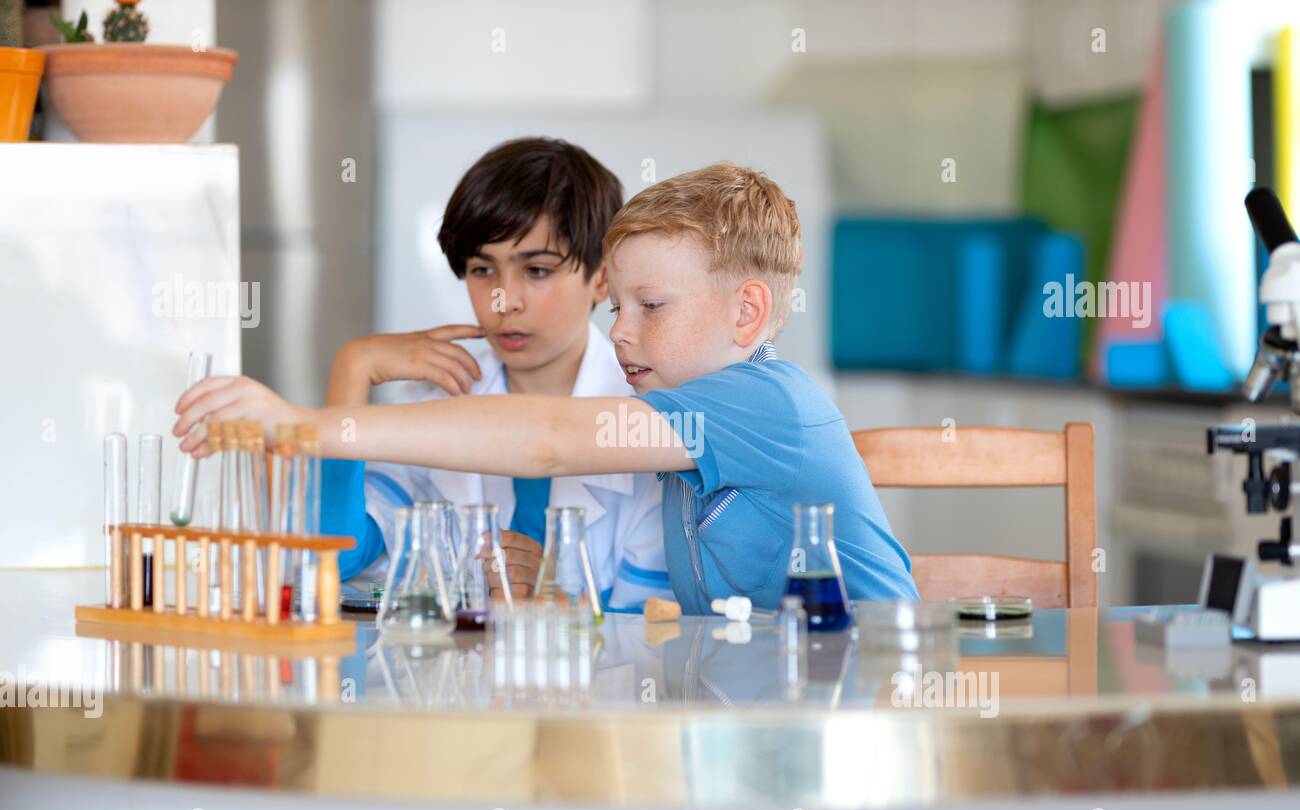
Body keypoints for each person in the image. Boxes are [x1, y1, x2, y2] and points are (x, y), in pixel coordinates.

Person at [175, 162, 918, 613]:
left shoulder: (766, 404)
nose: (621, 331)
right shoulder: (682, 424)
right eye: (618, 307)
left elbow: (548, 439)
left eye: (649, 308)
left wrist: (303, 424)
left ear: (748, 311)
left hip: (864, 708)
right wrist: (354, 371)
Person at [319, 137, 672, 610]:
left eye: (538, 271)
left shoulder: (650, 417)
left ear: (602, 278)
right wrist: (353, 368)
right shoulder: (438, 399)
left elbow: (658, 643)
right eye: (483, 269)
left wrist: (558, 601)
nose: (506, 300)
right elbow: (332, 561)